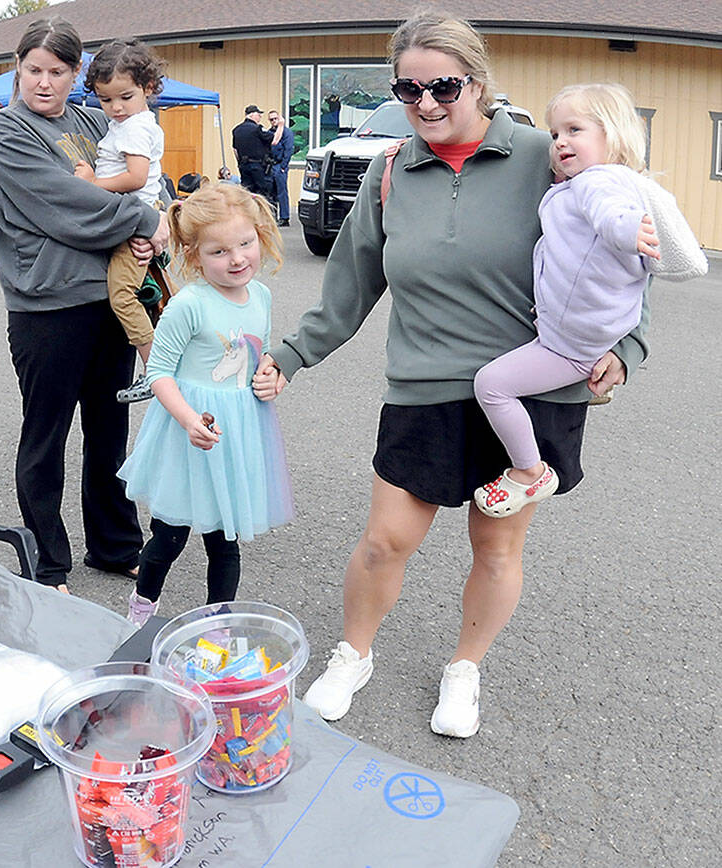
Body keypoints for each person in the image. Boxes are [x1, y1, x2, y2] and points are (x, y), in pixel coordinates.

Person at [252, 12, 650, 738]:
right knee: (384, 540)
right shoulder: (389, 172)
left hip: (532, 391)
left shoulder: (543, 156)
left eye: (444, 85)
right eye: (408, 88)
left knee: (496, 545)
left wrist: (628, 349)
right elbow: (349, 288)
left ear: (478, 81)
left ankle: (464, 668)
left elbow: (623, 256)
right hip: (426, 388)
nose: (427, 102)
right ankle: (353, 654)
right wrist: (289, 355)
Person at [0, 16, 168, 592]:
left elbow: (138, 177)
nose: (43, 82)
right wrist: (144, 220)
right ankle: (46, 562)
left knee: (109, 433)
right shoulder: (4, 131)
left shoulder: (92, 121)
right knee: (46, 436)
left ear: (76, 73)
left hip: (109, 302)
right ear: (17, 69)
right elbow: (65, 205)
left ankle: (114, 546)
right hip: (46, 308)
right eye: (33, 69)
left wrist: (154, 216)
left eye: (57, 71)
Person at [473, 83, 668, 519]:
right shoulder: (586, 185)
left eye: (574, 129)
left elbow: (610, 215)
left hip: (568, 345)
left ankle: (529, 472)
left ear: (612, 135)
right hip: (582, 335)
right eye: (555, 132)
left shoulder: (599, 185)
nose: (559, 141)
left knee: (492, 385)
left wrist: (627, 230)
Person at [118, 183, 293, 626]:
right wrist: (189, 419)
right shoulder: (189, 305)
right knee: (170, 536)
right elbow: (158, 372)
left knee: (224, 539)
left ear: (260, 237)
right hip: (188, 432)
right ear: (195, 256)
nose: (237, 259)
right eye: (219, 251)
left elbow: (262, 355)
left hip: (237, 432)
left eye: (245, 244)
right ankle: (140, 614)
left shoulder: (262, 297)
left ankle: (218, 624)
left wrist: (274, 377)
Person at [71, 37, 168, 405]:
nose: (115, 107)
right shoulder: (131, 123)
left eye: (125, 96)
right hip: (133, 222)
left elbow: (136, 177)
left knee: (123, 296)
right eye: (106, 99)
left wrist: (94, 183)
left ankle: (155, 369)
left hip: (131, 224)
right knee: (142, 293)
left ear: (148, 88)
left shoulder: (135, 128)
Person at [231, 105, 282, 199]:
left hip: (244, 166)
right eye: (258, 114)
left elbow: (235, 150)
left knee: (247, 194)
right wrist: (281, 125)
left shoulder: (236, 130)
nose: (260, 117)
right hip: (258, 167)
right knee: (263, 194)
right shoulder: (257, 129)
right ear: (251, 115)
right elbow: (275, 140)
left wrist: (240, 163)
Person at [266, 109, 293, 225]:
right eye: (271, 119)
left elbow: (288, 149)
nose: (273, 121)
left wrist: (283, 166)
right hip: (271, 165)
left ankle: (284, 217)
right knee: (271, 192)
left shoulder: (286, 133)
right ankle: (273, 216)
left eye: (275, 119)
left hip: (279, 165)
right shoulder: (269, 133)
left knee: (282, 192)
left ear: (279, 119)